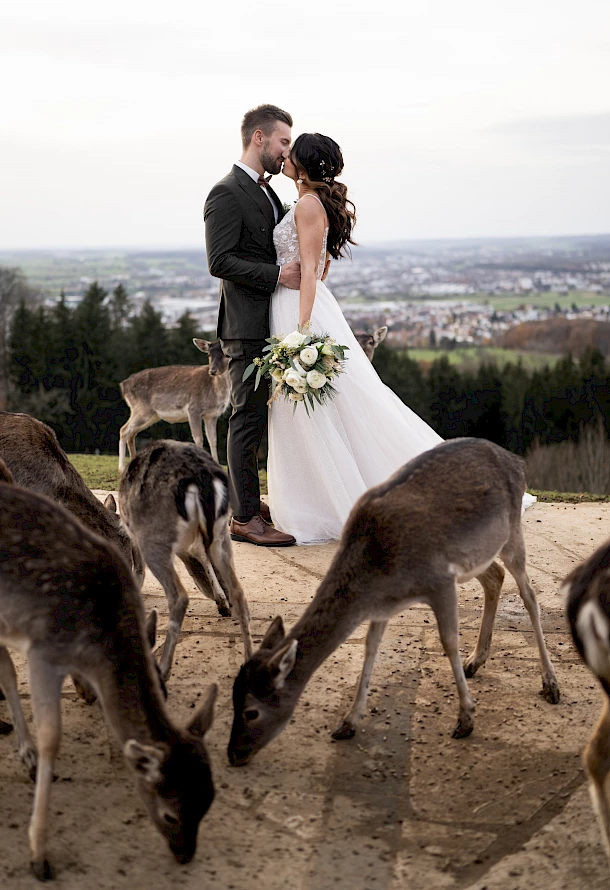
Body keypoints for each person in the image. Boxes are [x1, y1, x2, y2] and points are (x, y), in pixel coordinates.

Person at [267, 133, 536, 543]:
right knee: (331, 408)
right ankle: (324, 499)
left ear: (303, 165)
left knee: (333, 407)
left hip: (300, 311)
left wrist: (301, 334)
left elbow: (309, 271)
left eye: (291, 152)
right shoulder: (312, 203)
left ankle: (337, 502)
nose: (284, 156)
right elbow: (321, 269)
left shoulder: (306, 204)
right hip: (306, 305)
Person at [204, 104, 299, 546]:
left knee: (258, 415)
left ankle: (247, 499)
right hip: (244, 325)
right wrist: (279, 276)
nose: (287, 152)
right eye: (283, 142)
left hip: (268, 322)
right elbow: (219, 261)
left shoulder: (267, 191)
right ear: (258, 138)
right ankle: (243, 519)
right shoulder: (225, 192)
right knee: (245, 417)